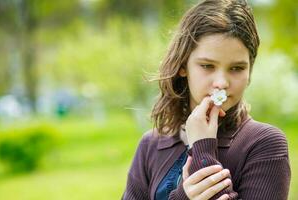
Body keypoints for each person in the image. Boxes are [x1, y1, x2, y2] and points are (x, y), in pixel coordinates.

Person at [122, 0, 291, 199]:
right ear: (183, 66)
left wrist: (202, 146)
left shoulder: (264, 144)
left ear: (249, 70)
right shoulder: (151, 145)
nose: (221, 83)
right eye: (207, 66)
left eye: (237, 68)